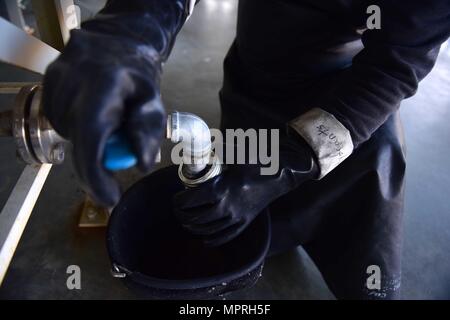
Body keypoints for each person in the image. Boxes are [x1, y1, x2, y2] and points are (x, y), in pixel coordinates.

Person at [42, 0, 450, 299]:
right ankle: (268, 240)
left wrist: (285, 166)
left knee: (364, 261)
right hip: (255, 78)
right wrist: (133, 33)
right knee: (242, 209)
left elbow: (395, 63)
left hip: (350, 99)